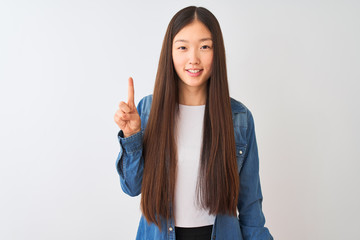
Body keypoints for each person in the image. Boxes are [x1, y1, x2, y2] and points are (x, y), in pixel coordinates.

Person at [114, 6, 273, 240]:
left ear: (216, 52)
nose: (193, 59)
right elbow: (131, 187)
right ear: (170, 52)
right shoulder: (147, 111)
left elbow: (250, 207)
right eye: (182, 47)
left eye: (204, 46)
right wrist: (132, 138)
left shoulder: (239, 118)